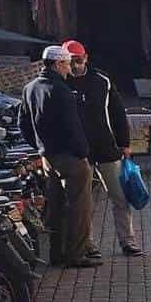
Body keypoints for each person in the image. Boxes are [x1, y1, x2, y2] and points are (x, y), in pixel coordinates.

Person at [23, 45, 96, 269]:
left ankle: (56, 253)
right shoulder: (60, 90)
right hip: (70, 157)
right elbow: (73, 127)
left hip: (48, 156)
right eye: (66, 64)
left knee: (55, 205)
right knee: (79, 207)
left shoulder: (30, 88)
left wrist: (40, 146)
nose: (69, 68)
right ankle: (76, 254)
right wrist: (83, 153)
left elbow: (23, 124)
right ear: (56, 64)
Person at [64, 39, 140, 258]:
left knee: (120, 197)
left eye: (78, 61)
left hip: (107, 148)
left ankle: (128, 241)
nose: (75, 66)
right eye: (70, 62)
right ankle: (87, 244)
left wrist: (125, 144)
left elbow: (118, 113)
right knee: (82, 203)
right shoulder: (61, 83)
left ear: (86, 58)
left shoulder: (101, 81)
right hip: (78, 151)